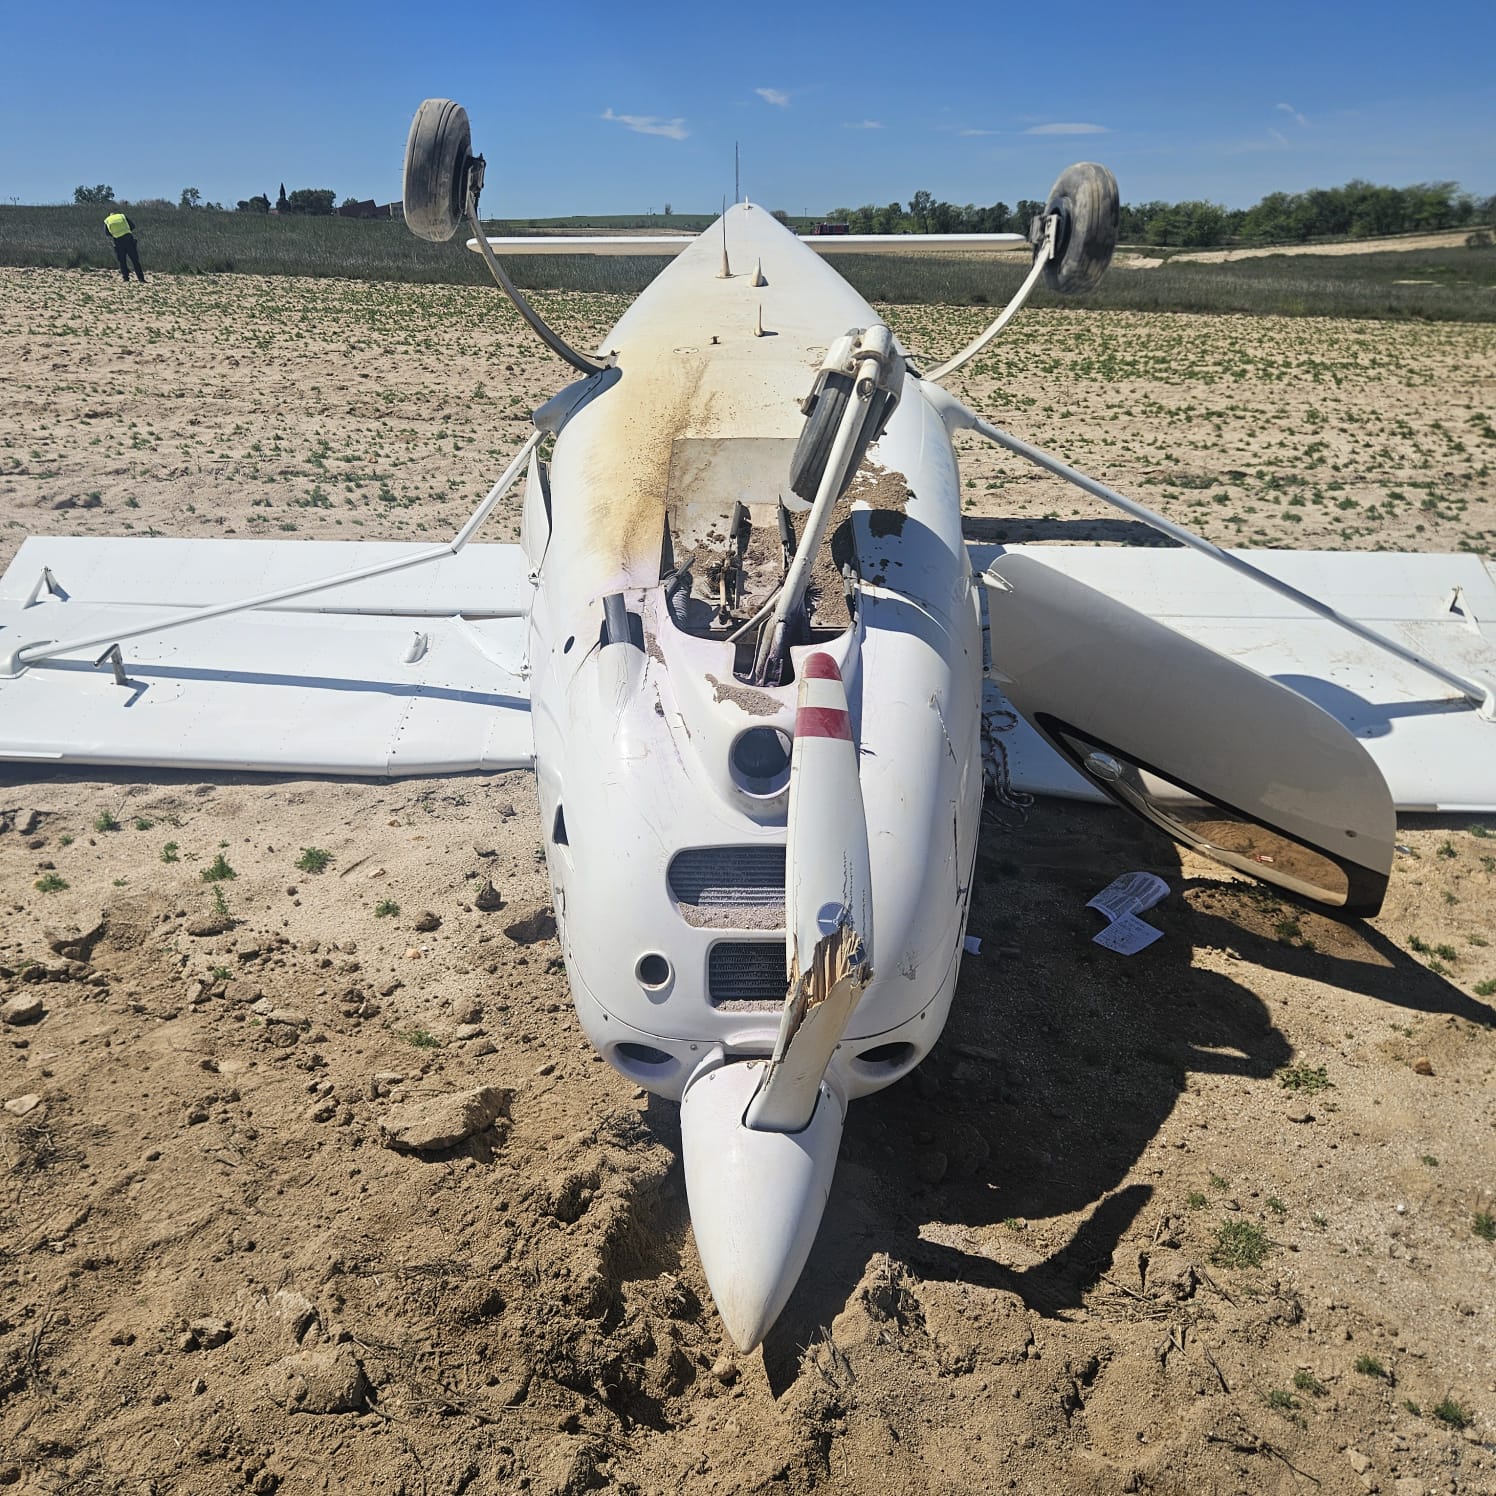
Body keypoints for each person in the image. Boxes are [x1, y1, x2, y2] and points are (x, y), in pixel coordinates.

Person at [103, 211, 146, 283]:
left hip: (118, 241)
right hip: (128, 239)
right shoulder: (122, 216)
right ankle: (141, 279)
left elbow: (107, 233)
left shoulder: (107, 220)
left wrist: (115, 235)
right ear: (116, 214)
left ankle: (126, 278)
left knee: (122, 261)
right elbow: (132, 226)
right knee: (135, 260)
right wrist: (127, 231)